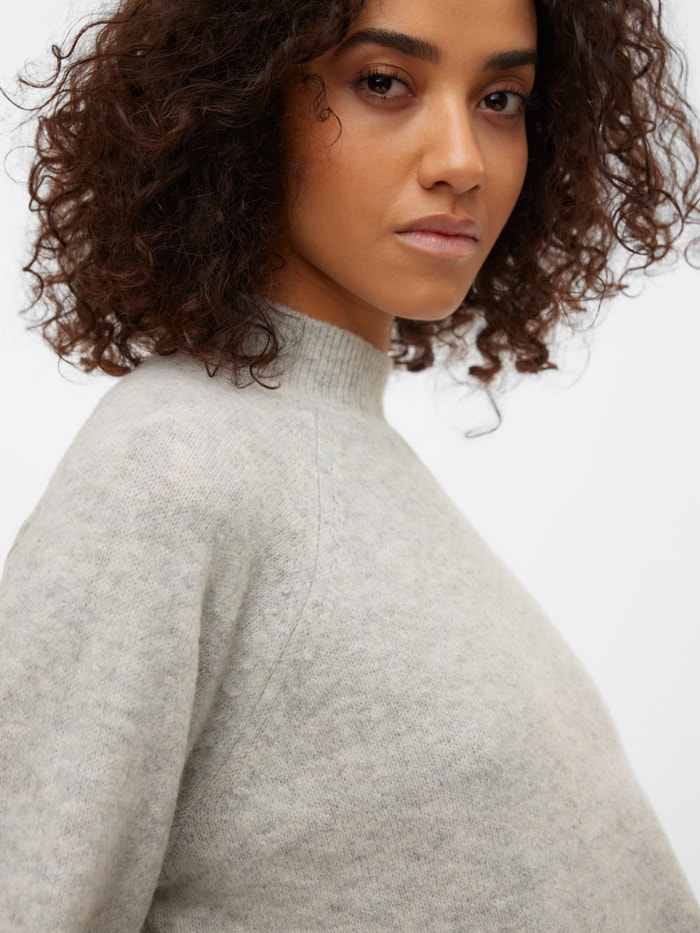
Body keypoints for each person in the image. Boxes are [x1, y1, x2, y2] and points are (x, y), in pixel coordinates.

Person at [1, 0, 699, 928]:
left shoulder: (359, 466)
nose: (463, 159)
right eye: (384, 83)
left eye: (500, 98)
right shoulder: (172, 467)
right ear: (242, 100)